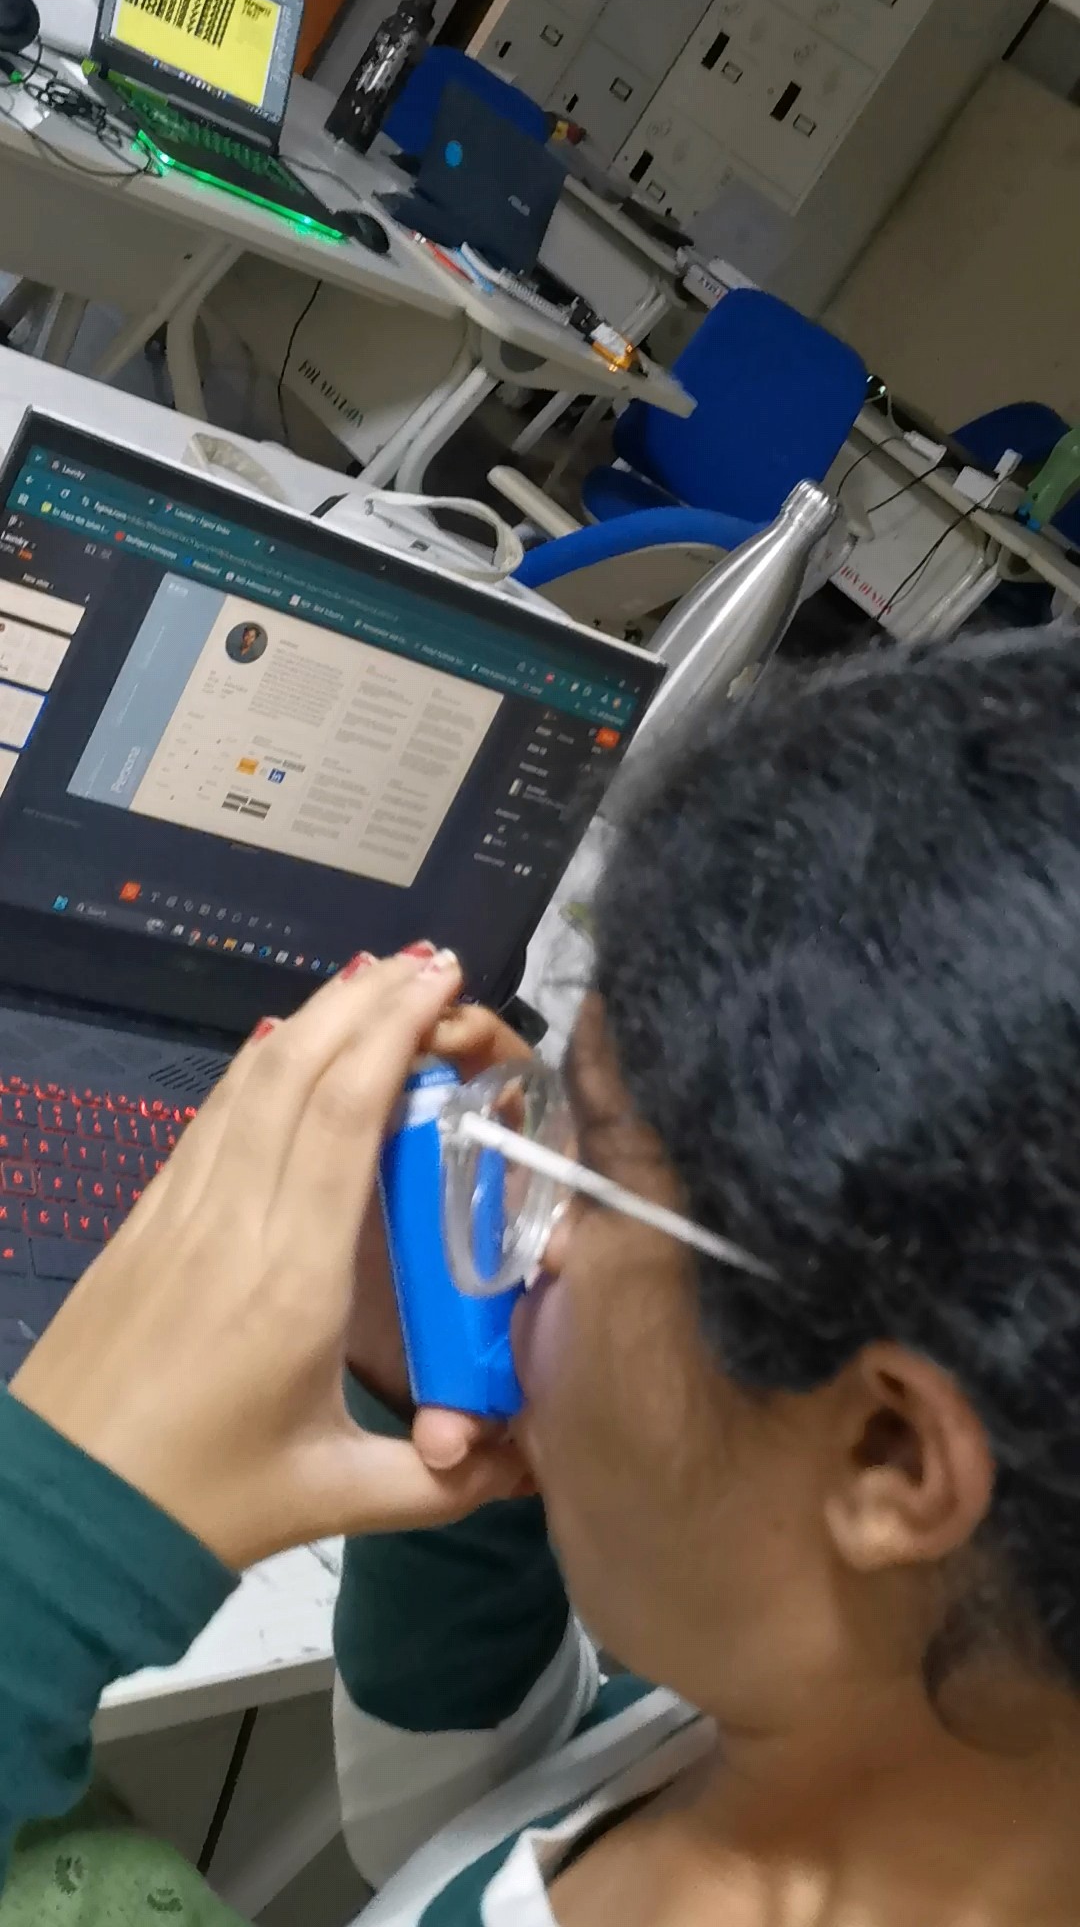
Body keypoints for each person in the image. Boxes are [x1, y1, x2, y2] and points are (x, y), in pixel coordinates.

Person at [5, 629, 1080, 1927]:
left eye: (591, 1165)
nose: (517, 1198)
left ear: (890, 1451)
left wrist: (52, 1559)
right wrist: (454, 1396)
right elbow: (452, 1824)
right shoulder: (852, 1721)